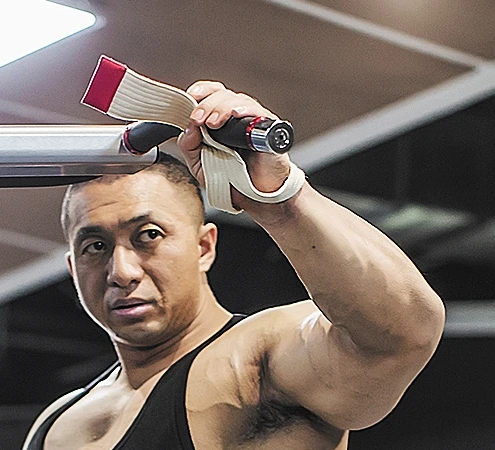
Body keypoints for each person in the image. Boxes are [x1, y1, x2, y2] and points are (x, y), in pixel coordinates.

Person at [23, 81, 445, 449]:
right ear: (72, 267)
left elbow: (402, 334)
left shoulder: (258, 361)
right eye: (95, 246)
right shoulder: (56, 426)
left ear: (204, 246)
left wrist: (281, 201)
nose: (122, 272)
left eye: (148, 236)